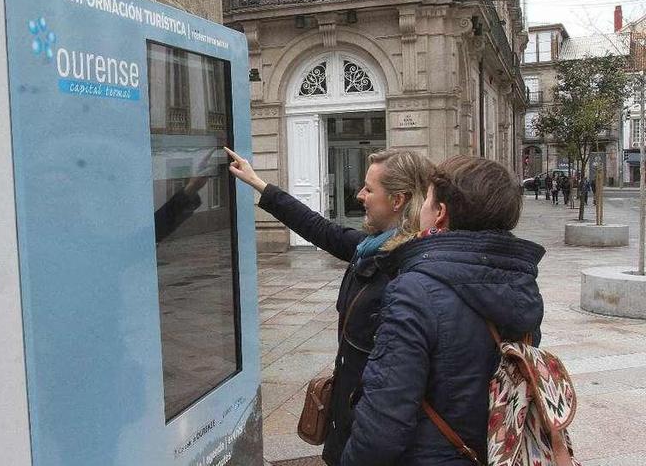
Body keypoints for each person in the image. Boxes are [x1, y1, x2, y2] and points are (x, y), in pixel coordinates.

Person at [224, 147, 433, 466]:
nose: (360, 194)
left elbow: (396, 385)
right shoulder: (371, 249)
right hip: (350, 416)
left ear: (397, 200)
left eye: (369, 189)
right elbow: (319, 229)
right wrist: (260, 185)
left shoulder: (408, 270)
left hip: (369, 430)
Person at [342, 155, 545, 465]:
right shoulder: (522, 284)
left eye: (428, 200)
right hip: (495, 451)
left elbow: (384, 418)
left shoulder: (414, 290)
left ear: (440, 213)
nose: (421, 206)